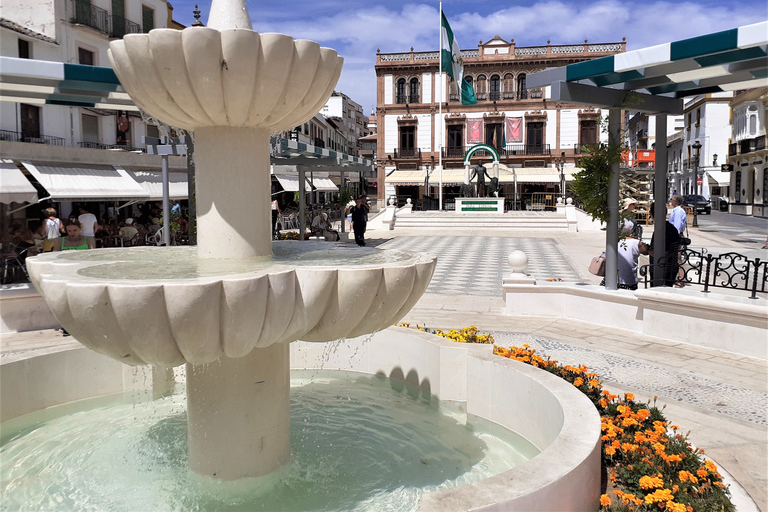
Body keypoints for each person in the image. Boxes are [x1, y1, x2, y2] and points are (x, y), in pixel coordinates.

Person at [638, 202, 680, 287]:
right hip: (667, 268)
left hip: (663, 270)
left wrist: (647, 250)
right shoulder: (669, 228)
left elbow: (663, 253)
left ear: (653, 215)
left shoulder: (663, 230)